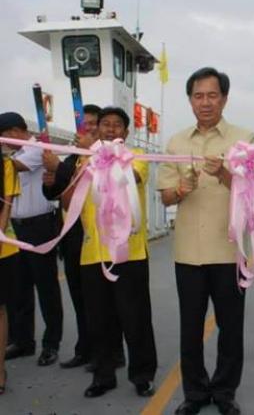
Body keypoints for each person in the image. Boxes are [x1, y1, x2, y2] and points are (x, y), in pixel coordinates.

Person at [157, 67, 254, 415]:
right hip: (189, 252)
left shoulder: (244, 139)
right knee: (190, 327)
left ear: (224, 98)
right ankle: (195, 393)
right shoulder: (176, 143)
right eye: (198, 96)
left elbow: (253, 191)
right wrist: (180, 190)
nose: (205, 102)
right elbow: (166, 196)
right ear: (190, 100)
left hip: (230, 251)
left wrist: (225, 173)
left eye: (212, 95)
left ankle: (225, 391)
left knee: (231, 328)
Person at [74, 106, 156, 398]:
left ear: (126, 131)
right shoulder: (85, 159)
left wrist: (99, 157)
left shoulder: (136, 156)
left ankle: (142, 375)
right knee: (98, 320)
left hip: (129, 253)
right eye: (105, 124)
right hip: (93, 253)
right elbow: (70, 196)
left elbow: (128, 178)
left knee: (135, 319)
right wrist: (85, 159)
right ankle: (103, 376)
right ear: (97, 129)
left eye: (117, 125)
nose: (110, 129)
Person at [42, 104, 125, 370]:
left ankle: (113, 352)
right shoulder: (73, 158)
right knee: (80, 297)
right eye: (84, 124)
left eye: (92, 123)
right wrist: (50, 180)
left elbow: (103, 182)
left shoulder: (110, 156)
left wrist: (60, 168)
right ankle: (86, 348)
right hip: (73, 236)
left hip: (100, 237)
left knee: (107, 301)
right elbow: (61, 193)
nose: (88, 128)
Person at [0, 112, 63, 367]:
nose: (4, 142)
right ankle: (23, 341)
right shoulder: (13, 154)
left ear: (15, 131)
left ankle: (51, 343)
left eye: (3, 137)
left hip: (40, 227)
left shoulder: (38, 149)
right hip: (16, 228)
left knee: (46, 287)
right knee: (19, 288)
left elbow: (13, 167)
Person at [0, 145, 21, 394]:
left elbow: (6, 204)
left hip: (2, 247)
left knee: (0, 310)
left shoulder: (5, 165)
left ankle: (0, 371)